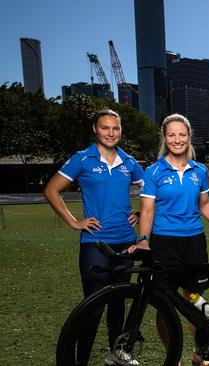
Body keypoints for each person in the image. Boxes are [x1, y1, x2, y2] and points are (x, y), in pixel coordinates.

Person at [129, 113, 209, 366]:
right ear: (165, 139)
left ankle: (201, 353)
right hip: (164, 243)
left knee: (193, 299)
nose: (177, 139)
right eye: (171, 135)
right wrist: (144, 240)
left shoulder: (198, 171)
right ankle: (172, 357)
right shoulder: (153, 171)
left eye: (181, 134)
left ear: (189, 137)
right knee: (165, 303)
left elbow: (204, 204)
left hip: (193, 242)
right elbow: (147, 210)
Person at [43, 108, 143, 366]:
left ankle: (116, 354)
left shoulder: (129, 161)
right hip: (95, 242)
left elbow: (150, 192)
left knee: (119, 302)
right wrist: (74, 221)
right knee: (93, 306)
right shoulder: (82, 158)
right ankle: (81, 360)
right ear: (94, 129)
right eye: (105, 128)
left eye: (115, 128)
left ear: (120, 131)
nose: (111, 133)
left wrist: (141, 212)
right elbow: (52, 189)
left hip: (126, 241)